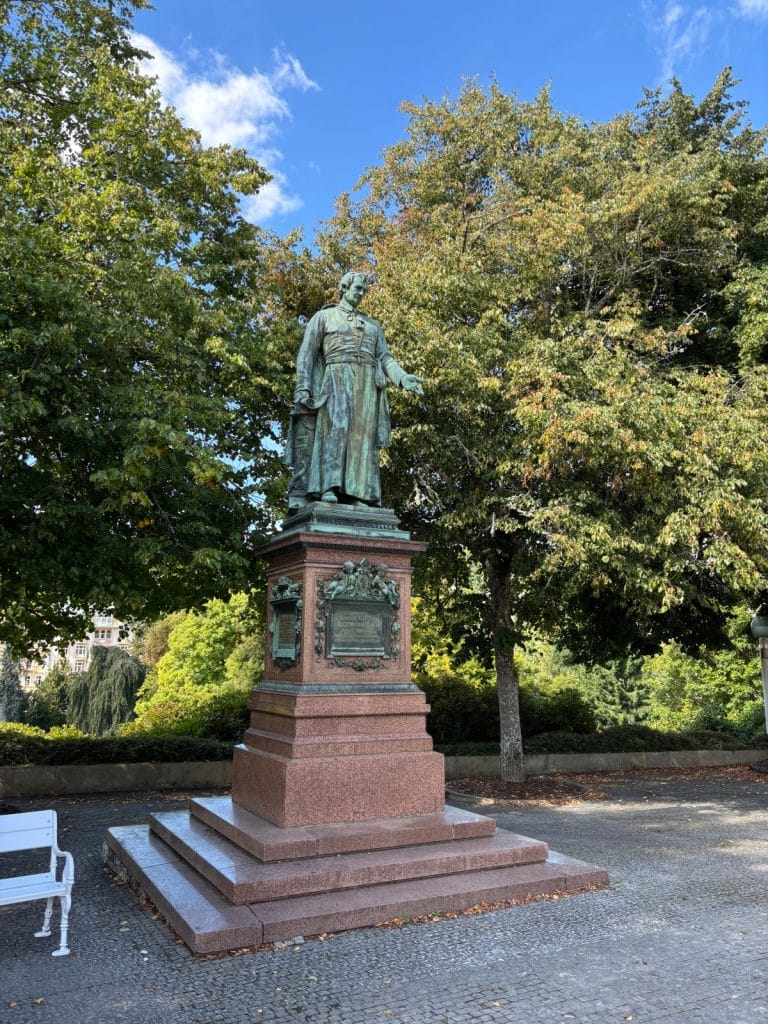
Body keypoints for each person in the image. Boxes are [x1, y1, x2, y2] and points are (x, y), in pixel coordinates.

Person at [283, 271, 423, 509]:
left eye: (363, 290)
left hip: (366, 383)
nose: (361, 293)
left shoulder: (373, 326)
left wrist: (402, 378)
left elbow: (385, 358)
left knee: (361, 437)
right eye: (357, 288)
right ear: (344, 288)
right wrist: (303, 388)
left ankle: (359, 492)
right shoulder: (324, 317)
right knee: (335, 431)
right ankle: (328, 487)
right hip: (335, 378)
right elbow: (306, 355)